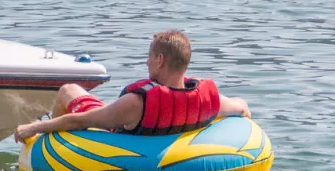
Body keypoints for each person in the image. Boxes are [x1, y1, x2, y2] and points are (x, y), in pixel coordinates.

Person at [15, 29, 251, 142]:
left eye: (150, 57)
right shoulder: (209, 99)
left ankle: (50, 146)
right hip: (173, 129)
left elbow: (81, 121)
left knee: (68, 90)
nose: (147, 62)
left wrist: (34, 129)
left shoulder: (137, 102)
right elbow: (242, 108)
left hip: (118, 130)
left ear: (160, 60)